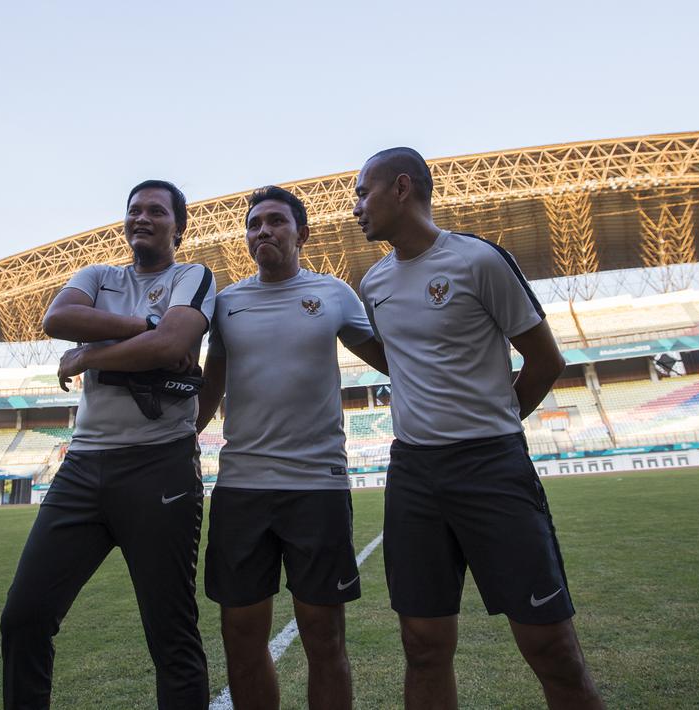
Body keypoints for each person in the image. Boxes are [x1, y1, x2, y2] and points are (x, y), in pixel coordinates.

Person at [352, 148, 603, 709]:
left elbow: (545, 361)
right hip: (414, 474)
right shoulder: (375, 282)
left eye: (363, 193)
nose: (355, 209)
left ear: (400, 189)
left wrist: (494, 425)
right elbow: (408, 362)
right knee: (421, 645)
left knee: (550, 645)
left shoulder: (478, 260)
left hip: (491, 468)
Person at [0, 179, 214, 709]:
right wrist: (143, 326)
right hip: (84, 467)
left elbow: (173, 343)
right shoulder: (97, 275)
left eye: (157, 211)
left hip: (159, 465)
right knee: (24, 616)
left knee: (171, 634)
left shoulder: (193, 276)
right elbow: (58, 319)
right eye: (134, 210)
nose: (142, 217)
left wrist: (90, 354)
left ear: (178, 227)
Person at [196, 185, 388, 709]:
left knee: (324, 637)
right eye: (255, 224)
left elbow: (392, 361)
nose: (264, 231)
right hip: (241, 488)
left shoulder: (333, 294)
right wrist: (178, 439)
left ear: (301, 233)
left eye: (276, 221)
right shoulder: (227, 303)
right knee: (240, 636)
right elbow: (211, 387)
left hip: (316, 487)